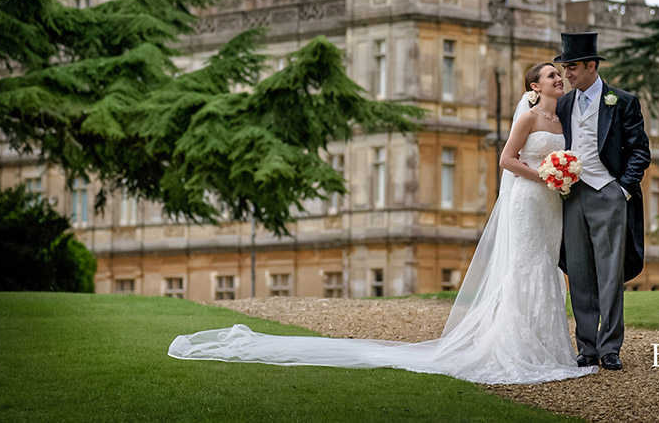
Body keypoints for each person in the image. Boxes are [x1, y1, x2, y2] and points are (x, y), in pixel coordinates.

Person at [168, 62, 596, 385]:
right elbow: (506, 160)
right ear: (533, 87)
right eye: (550, 75)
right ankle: (516, 348)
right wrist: (542, 173)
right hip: (527, 198)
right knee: (523, 267)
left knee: (544, 267)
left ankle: (549, 349)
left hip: (549, 204)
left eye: (560, 74)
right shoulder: (527, 117)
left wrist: (561, 174)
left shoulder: (563, 118)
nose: (559, 78)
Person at [554, 32, 650, 371]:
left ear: (592, 66)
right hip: (572, 196)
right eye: (564, 68)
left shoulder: (622, 101)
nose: (567, 74)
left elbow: (640, 151)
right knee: (578, 274)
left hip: (608, 194)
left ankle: (610, 348)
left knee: (610, 274)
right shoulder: (563, 104)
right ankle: (587, 347)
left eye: (573, 67)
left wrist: (621, 189)